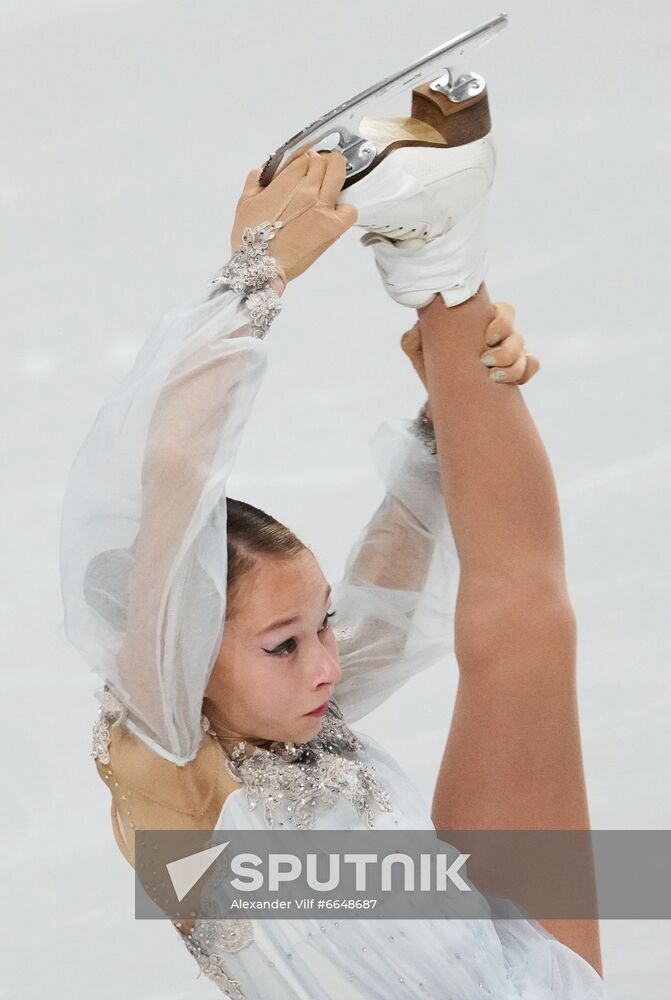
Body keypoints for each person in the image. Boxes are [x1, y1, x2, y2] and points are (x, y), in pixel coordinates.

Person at [61, 138, 607, 998]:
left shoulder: (294, 714)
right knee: (526, 619)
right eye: (284, 643)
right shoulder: (167, 762)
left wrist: (461, 400)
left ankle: (439, 263)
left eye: (318, 625)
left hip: (519, 975)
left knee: (530, 625)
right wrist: (256, 271)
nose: (327, 660)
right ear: (183, 647)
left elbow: (391, 586)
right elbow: (173, 463)